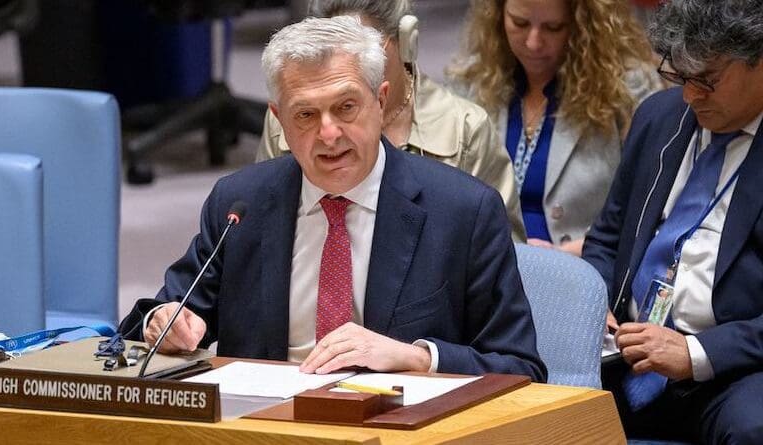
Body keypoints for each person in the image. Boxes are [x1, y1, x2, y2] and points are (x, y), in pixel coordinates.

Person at [119, 16, 546, 380]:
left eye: (346, 107)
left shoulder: (462, 212)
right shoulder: (239, 205)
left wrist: (417, 357)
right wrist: (162, 324)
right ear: (278, 120)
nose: (329, 134)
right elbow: (158, 317)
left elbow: (520, 366)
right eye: (306, 114)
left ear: (380, 102)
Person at [582, 0, 763, 442]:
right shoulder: (659, 118)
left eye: (706, 80)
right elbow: (607, 236)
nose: (689, 96)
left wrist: (696, 351)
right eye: (681, 77)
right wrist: (595, 303)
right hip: (625, 354)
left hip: (735, 370)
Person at [256, 0, 526, 242]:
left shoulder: (464, 129)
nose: (354, 63)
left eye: (365, 48)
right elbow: (265, 223)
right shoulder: (289, 119)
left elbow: (500, 257)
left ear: (407, 43)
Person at [448, 0, 661, 256]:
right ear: (496, 15)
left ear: (583, 25)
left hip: (585, 268)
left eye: (553, 27)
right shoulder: (473, 81)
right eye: (520, 23)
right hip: (490, 267)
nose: (533, 43)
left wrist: (567, 254)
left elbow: (650, 211)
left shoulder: (628, 90)